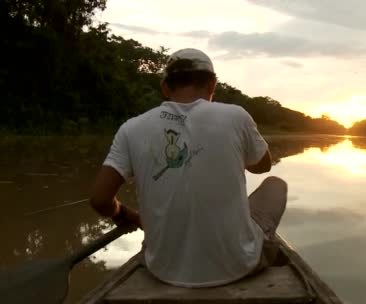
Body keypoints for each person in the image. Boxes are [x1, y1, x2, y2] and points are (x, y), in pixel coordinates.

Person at [89, 48, 287, 288]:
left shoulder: (131, 128)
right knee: (276, 185)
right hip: (239, 266)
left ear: (165, 87)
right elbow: (263, 166)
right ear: (212, 84)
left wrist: (124, 214)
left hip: (161, 270)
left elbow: (100, 199)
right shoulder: (236, 116)